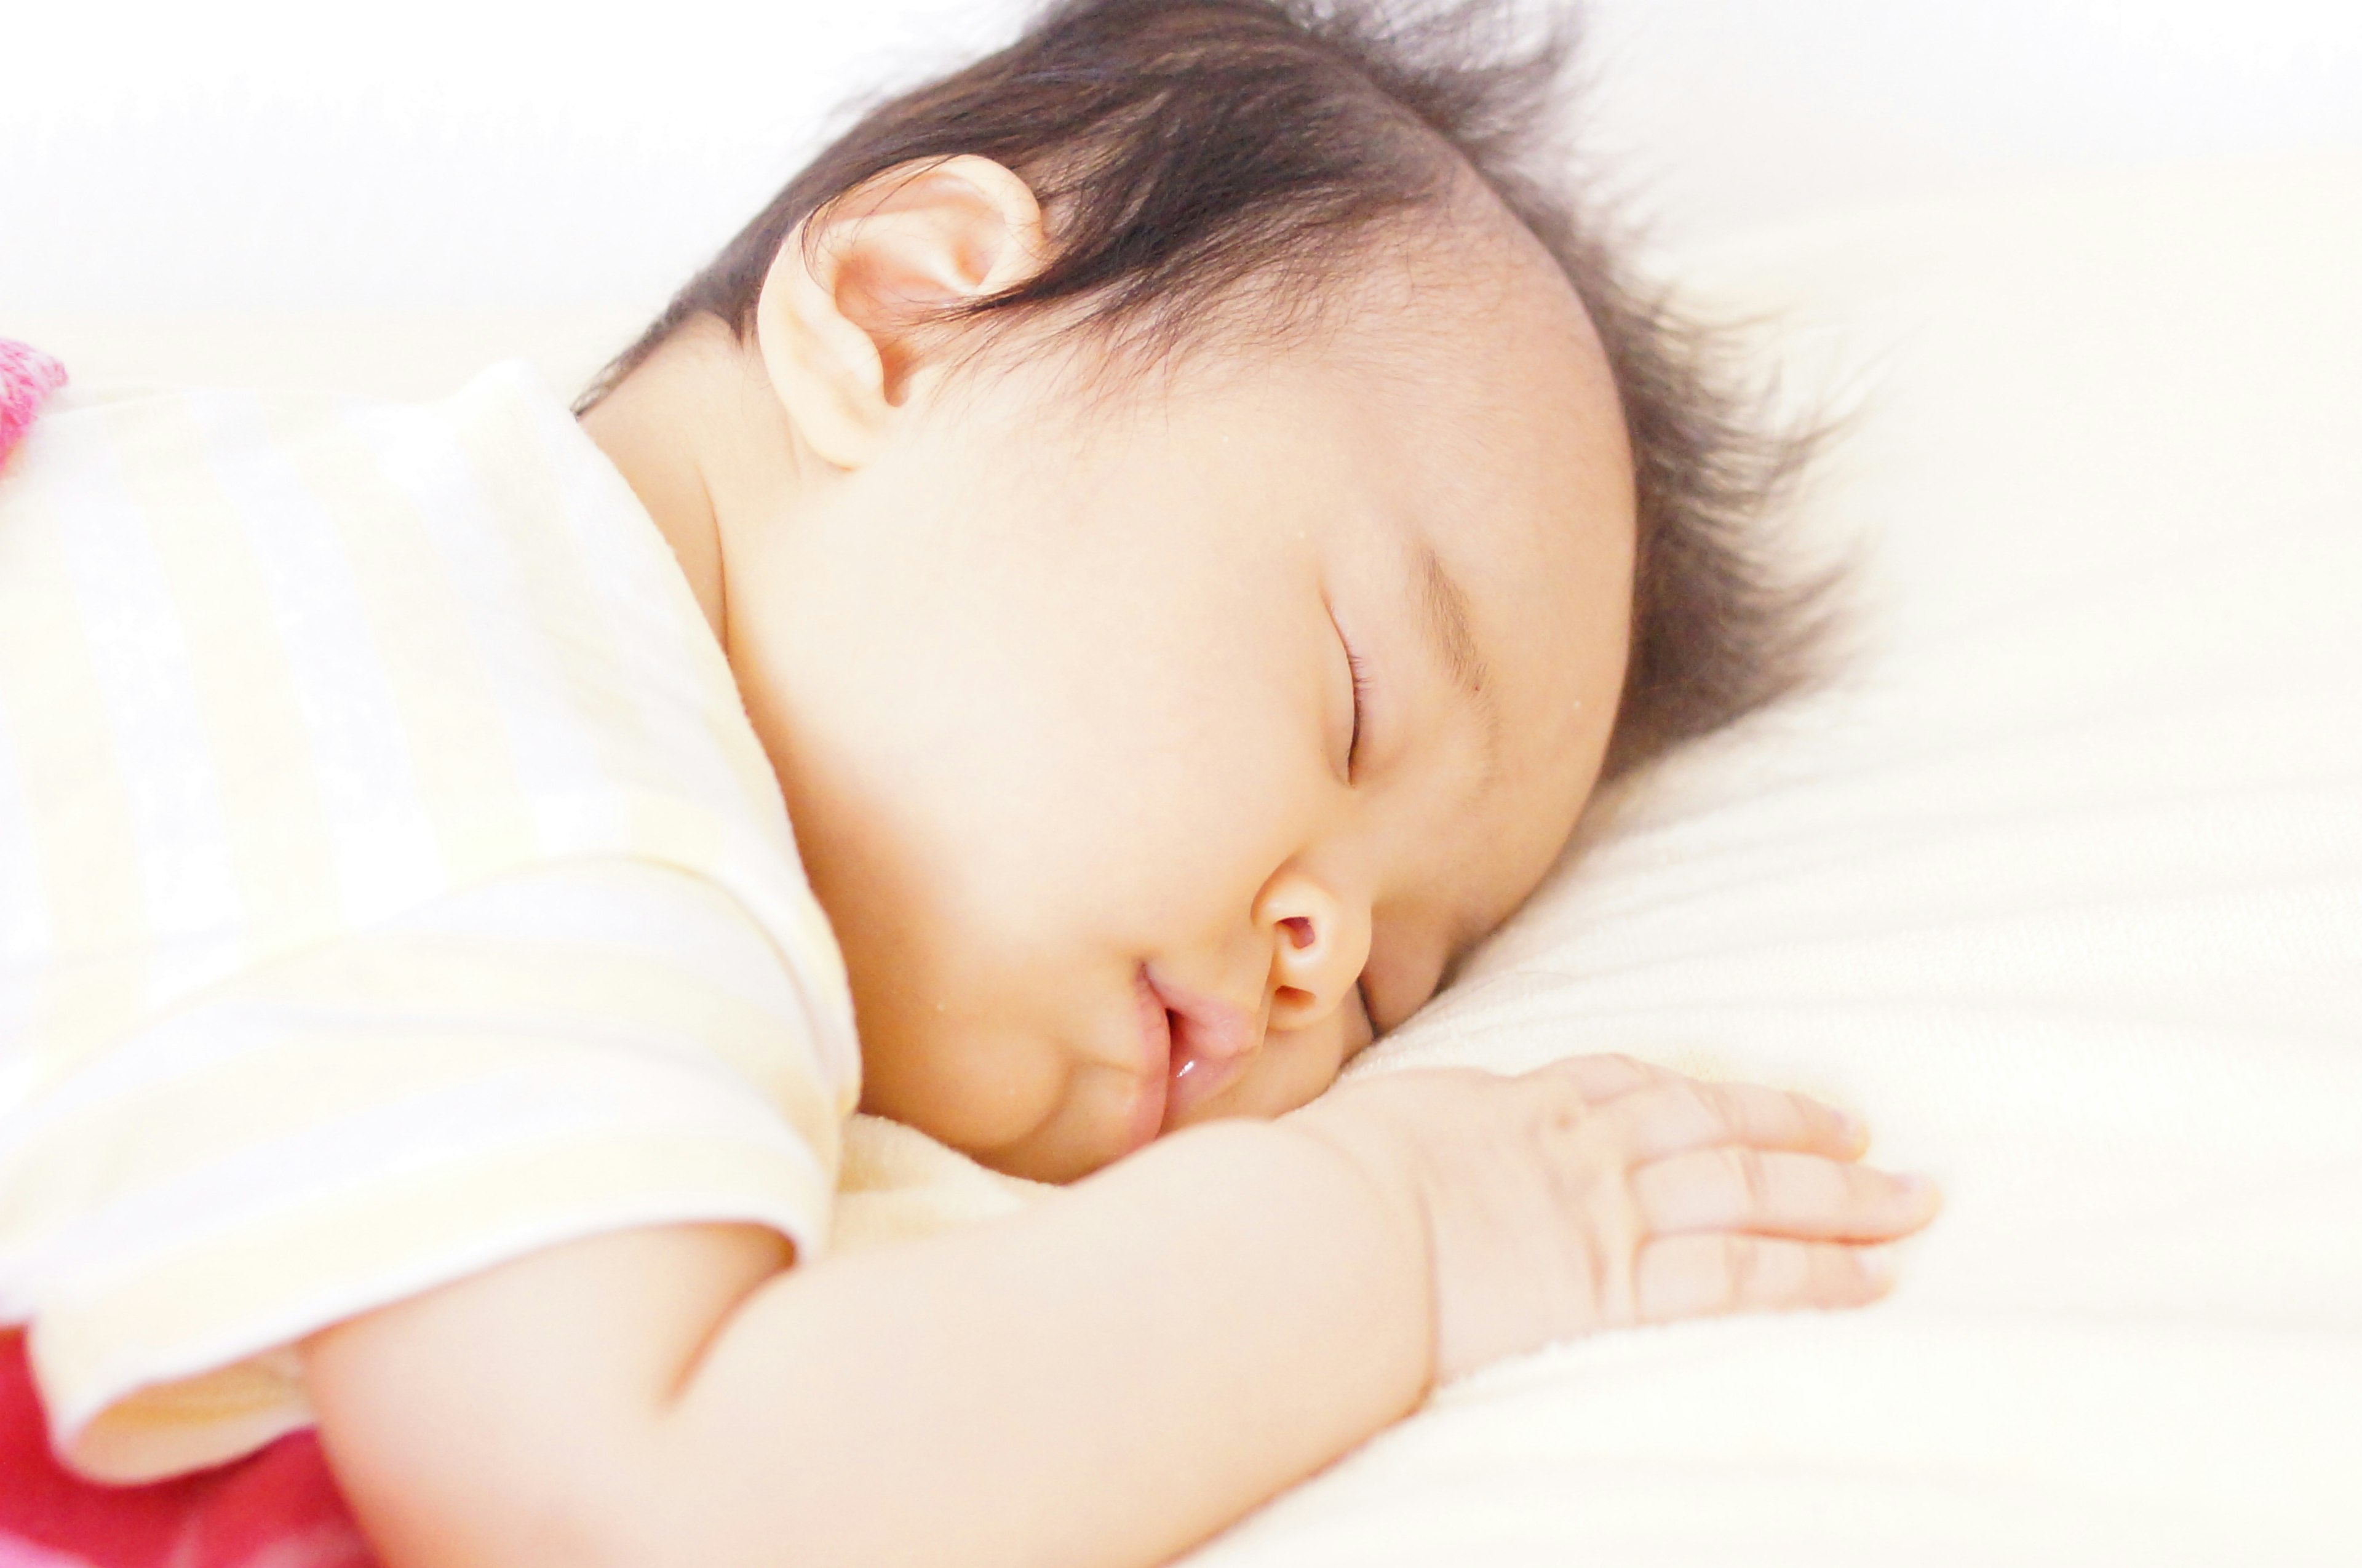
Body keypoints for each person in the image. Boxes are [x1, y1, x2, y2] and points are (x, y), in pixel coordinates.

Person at [0, 2, 1939, 1564]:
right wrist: (1400, 1230)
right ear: (913, 316)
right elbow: (638, 1503)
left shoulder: (299, 520)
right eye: (1351, 705)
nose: (1317, 946)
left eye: (1392, 993)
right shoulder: (560, 805)